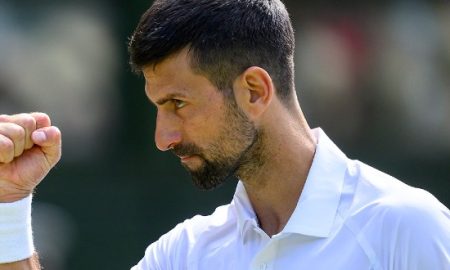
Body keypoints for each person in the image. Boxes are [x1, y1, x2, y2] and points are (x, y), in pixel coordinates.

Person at [1, 0, 449, 269]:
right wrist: (10, 203)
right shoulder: (185, 254)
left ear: (254, 90)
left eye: (177, 104)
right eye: (158, 108)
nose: (163, 137)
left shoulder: (406, 226)